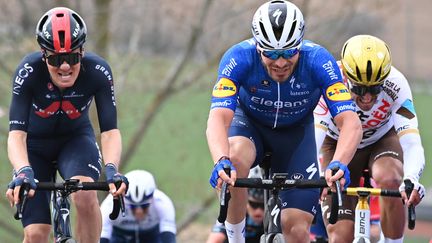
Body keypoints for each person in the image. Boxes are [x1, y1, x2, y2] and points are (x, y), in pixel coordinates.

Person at [206, 1, 362, 242]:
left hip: (296, 136)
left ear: (300, 43)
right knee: (233, 163)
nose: (280, 62)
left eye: (289, 52)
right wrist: (221, 160)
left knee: (297, 231)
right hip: (249, 127)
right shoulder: (238, 57)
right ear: (258, 47)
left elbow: (350, 122)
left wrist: (339, 162)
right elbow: (218, 117)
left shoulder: (319, 61)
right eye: (271, 53)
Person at [5, 7, 128, 243]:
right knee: (37, 233)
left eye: (72, 58)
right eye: (55, 59)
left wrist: (112, 168)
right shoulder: (28, 72)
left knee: (85, 196)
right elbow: (16, 135)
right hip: (34, 147)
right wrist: (23, 171)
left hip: (75, 141)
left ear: (82, 52)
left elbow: (110, 131)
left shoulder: (98, 72)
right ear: (43, 55)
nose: (64, 67)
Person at [314, 35, 426, 243]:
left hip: (381, 141)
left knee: (390, 178)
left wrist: (411, 178)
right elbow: (316, 135)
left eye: (375, 89)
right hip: (338, 145)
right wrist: (317, 174)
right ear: (347, 77)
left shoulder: (397, 83)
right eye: (359, 89)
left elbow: (411, 141)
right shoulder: (330, 78)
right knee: (340, 237)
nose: (367, 98)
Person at [100, 170, 177, 243]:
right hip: (120, 236)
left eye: (144, 206)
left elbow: (168, 234)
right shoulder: (109, 205)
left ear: (152, 199)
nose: (139, 211)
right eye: (132, 207)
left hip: (151, 236)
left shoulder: (163, 203)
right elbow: (103, 235)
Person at [207, 166, 265, 243]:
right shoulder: (236, 212)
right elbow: (215, 239)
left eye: (263, 206)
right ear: (246, 201)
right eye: (253, 205)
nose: (258, 211)